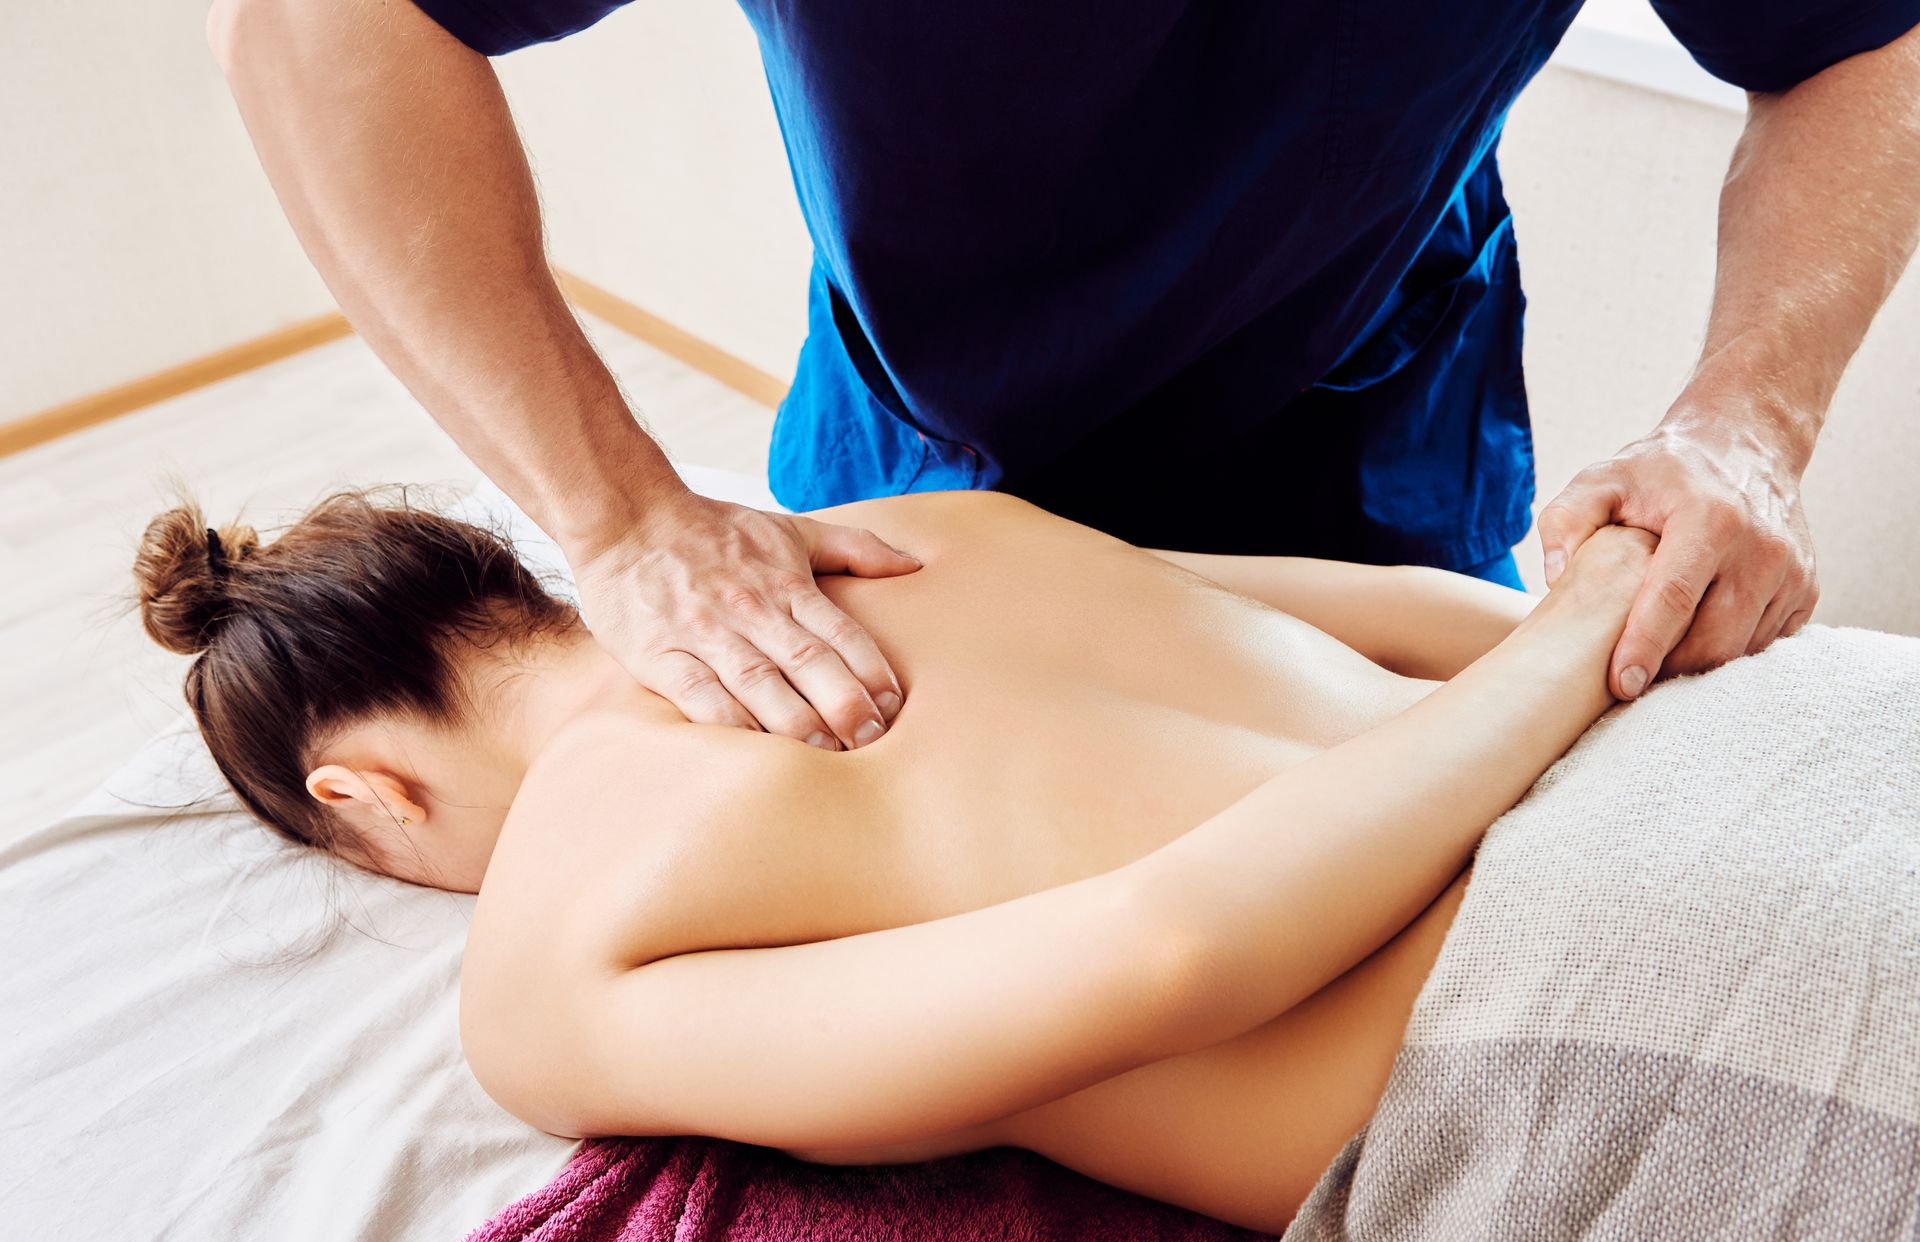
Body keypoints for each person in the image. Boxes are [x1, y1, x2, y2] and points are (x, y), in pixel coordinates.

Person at [207, 0, 1920, 748]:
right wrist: (624, 520)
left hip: (1367, 436)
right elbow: (315, 19)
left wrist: (1750, 424)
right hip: (923, 472)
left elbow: (1869, 36)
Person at [135, 484, 1670, 1231]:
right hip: (1706, 771)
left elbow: (1173, 953)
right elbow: (1434, 609)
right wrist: (1590, 631)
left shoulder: (542, 970)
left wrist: (1542, 685)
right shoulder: (891, 535)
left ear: (369, 797)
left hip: (1619, 1046)